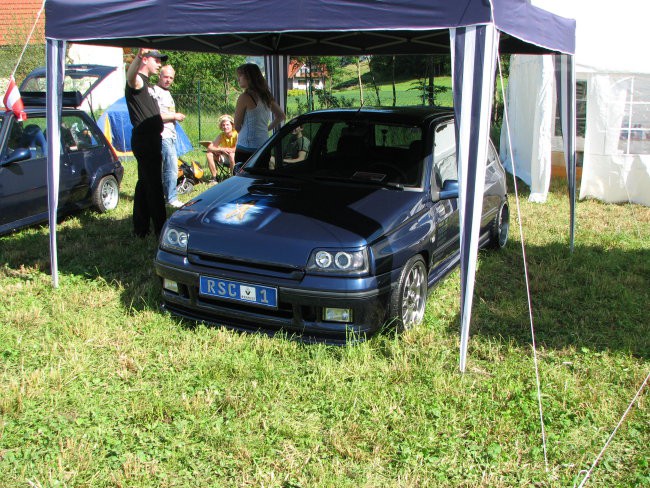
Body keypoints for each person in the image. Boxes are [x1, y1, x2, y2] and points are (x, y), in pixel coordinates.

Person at [124, 48, 170, 238]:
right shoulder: (137, 81)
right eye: (156, 60)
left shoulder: (148, 84)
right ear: (145, 60)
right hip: (145, 140)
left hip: (152, 139)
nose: (159, 64)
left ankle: (140, 228)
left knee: (144, 185)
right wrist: (137, 57)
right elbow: (130, 76)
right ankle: (161, 229)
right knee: (154, 187)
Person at [233, 63, 285, 164]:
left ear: (249, 77)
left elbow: (237, 125)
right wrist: (267, 128)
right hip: (263, 146)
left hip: (246, 147)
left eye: (240, 76)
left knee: (243, 178)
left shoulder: (244, 97)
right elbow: (281, 116)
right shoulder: (266, 96)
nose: (238, 79)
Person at [153, 64, 186, 208]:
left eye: (171, 78)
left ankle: (166, 196)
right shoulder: (155, 91)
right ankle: (171, 198)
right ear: (159, 76)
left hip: (171, 134)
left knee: (169, 166)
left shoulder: (167, 92)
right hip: (163, 135)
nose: (168, 80)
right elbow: (155, 115)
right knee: (171, 168)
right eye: (165, 76)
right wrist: (174, 116)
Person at [206, 114, 238, 184]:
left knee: (232, 155)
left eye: (227, 125)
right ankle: (214, 178)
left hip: (236, 157)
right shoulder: (221, 135)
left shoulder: (236, 134)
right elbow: (210, 147)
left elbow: (237, 148)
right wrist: (221, 149)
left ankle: (233, 177)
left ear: (232, 125)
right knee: (209, 154)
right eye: (223, 125)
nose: (225, 127)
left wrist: (226, 150)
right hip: (225, 156)